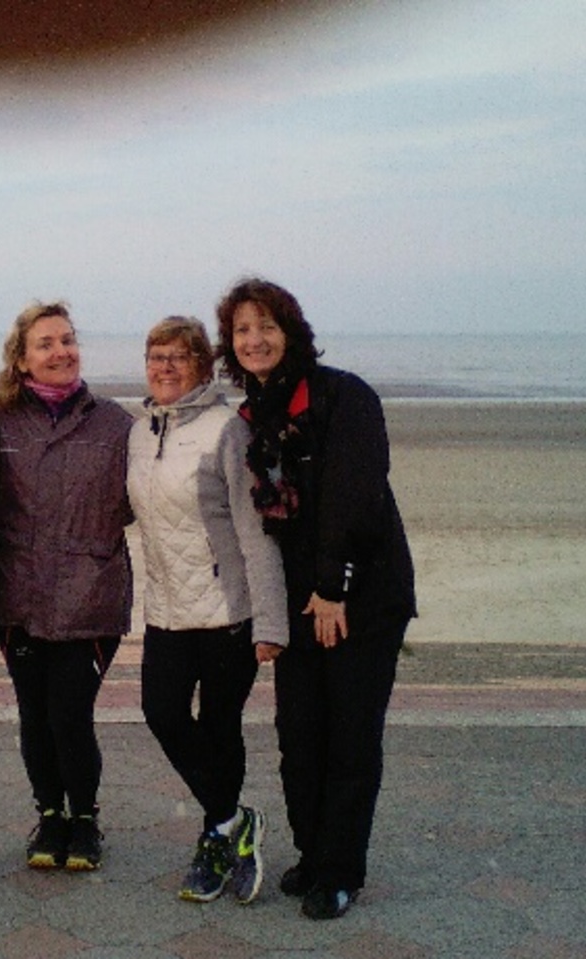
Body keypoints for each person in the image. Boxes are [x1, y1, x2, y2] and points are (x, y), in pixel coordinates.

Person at [216, 277, 417, 920]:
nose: (254, 339)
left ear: (292, 332)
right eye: (242, 330)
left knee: (350, 736)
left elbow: (354, 496)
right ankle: (312, 852)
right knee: (299, 736)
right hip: (298, 600)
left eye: (266, 326)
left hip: (361, 594)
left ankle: (340, 870)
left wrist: (334, 587)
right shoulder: (254, 416)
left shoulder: (343, 395)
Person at [127, 316, 289, 904]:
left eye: (179, 356)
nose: (165, 367)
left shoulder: (228, 430)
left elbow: (256, 531)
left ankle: (216, 839)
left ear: (203, 366)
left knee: (221, 728)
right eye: (156, 356)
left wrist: (270, 622)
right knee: (162, 713)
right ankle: (234, 818)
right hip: (166, 608)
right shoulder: (140, 431)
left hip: (228, 611)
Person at [0, 301, 134, 872]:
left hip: (90, 595)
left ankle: (85, 819)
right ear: (22, 358)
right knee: (35, 713)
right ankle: (50, 815)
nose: (60, 351)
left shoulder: (115, 424)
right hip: (18, 595)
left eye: (68, 340)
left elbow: (145, 500)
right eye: (45, 343)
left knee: (70, 713)